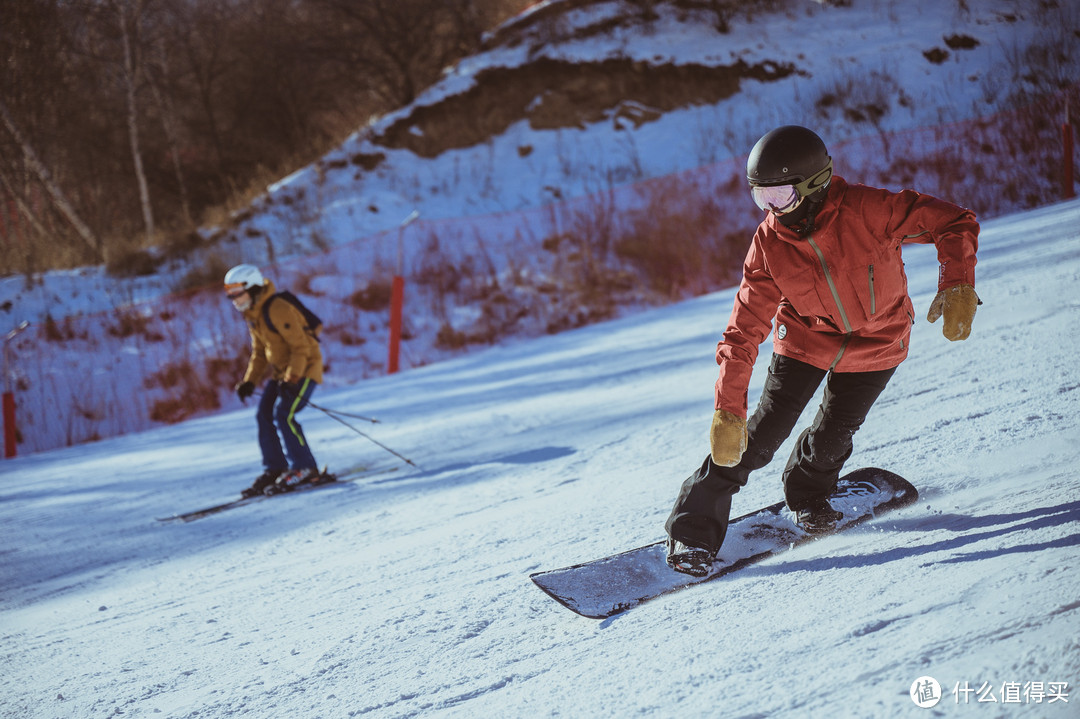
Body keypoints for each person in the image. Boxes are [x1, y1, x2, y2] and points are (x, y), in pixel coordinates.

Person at [665, 125, 980, 576]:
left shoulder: (870, 210)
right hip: (805, 343)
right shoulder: (769, 244)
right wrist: (727, 409)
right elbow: (742, 331)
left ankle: (809, 494)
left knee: (835, 436)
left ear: (814, 183)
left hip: (879, 342)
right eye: (762, 199)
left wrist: (957, 283)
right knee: (754, 439)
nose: (772, 210)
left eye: (780, 197)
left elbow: (954, 221)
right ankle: (692, 532)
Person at [224, 264, 325, 498]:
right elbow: (259, 353)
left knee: (284, 415)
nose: (233, 298)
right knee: (263, 415)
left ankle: (305, 467)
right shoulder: (253, 314)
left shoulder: (278, 308)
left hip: (305, 370)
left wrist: (292, 379)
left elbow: (301, 348)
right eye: (230, 293)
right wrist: (249, 381)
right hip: (282, 374)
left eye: (237, 292)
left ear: (253, 287)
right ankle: (276, 468)